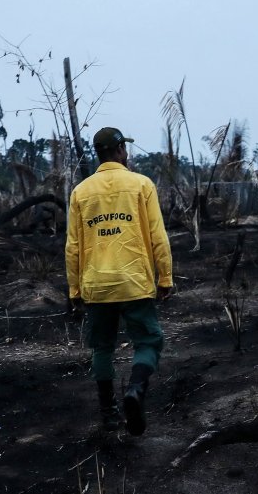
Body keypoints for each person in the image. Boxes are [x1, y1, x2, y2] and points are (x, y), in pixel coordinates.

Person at [65, 127, 173, 435]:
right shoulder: (141, 185)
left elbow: (73, 246)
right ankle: (136, 389)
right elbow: (157, 237)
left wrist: (74, 289)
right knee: (149, 341)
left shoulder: (80, 192)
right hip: (135, 282)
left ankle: (109, 413)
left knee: (102, 348)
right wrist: (165, 277)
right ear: (121, 150)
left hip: (97, 286)